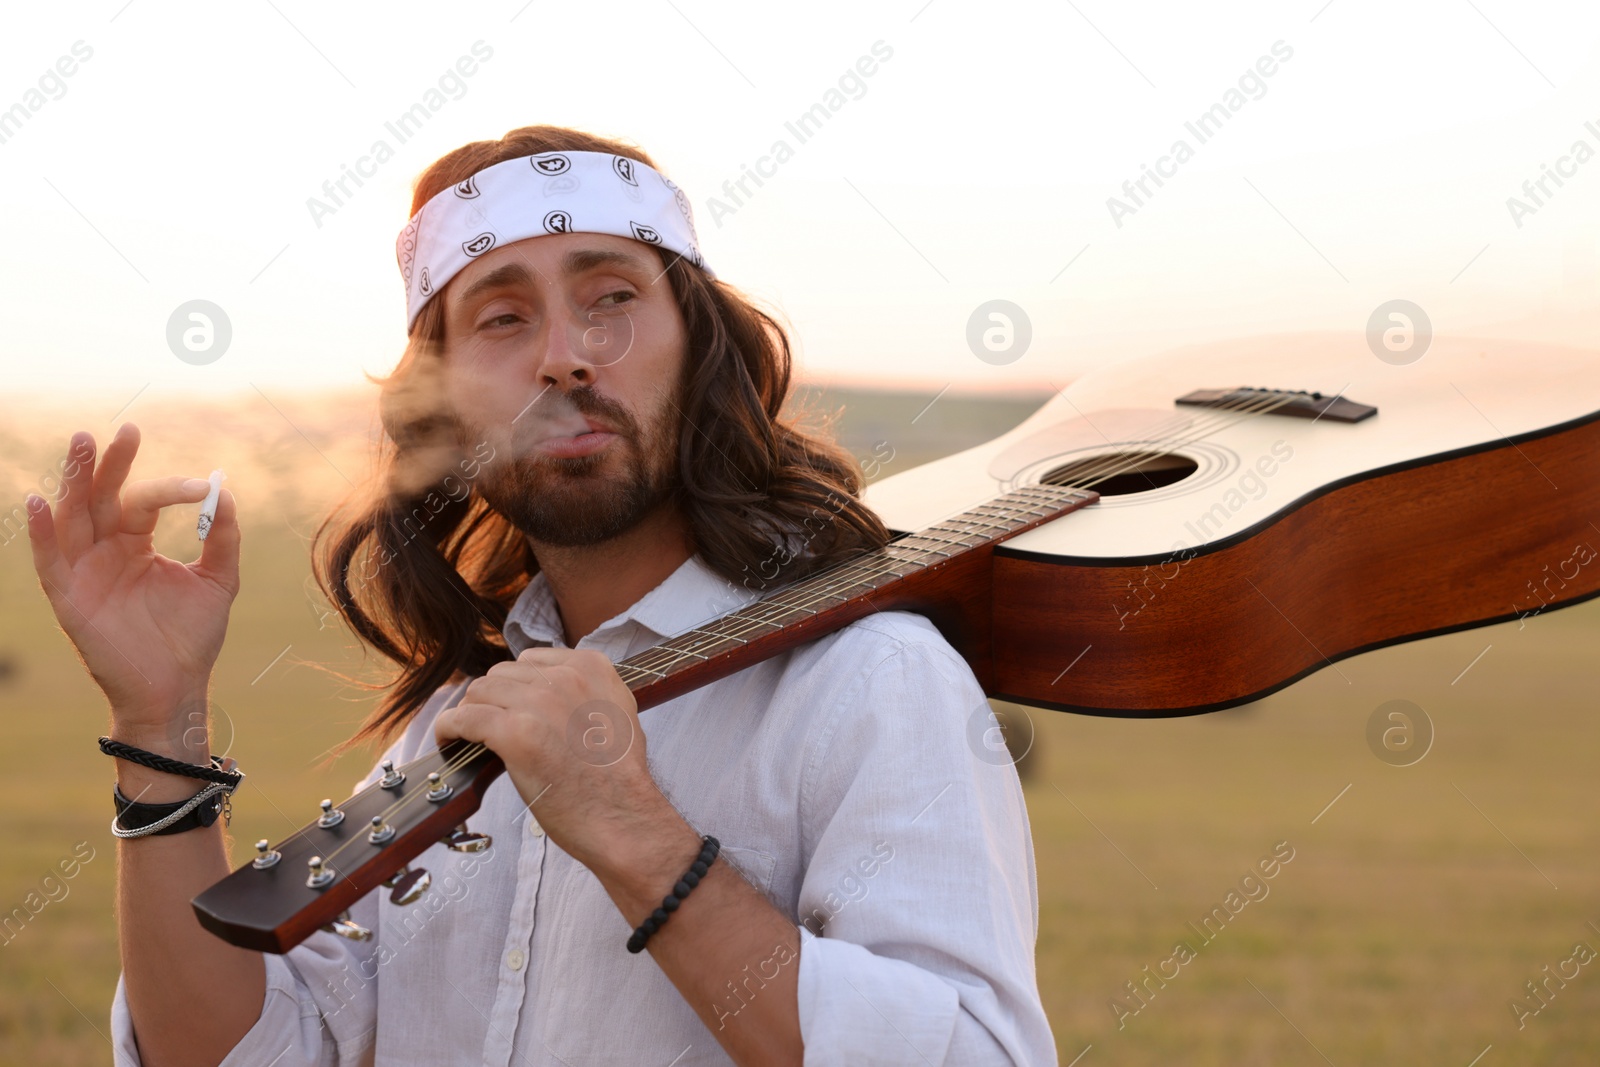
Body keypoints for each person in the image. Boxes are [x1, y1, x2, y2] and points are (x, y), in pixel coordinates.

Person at [27, 125, 1057, 1066]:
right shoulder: (456, 725)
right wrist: (160, 723)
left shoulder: (870, 681)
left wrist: (630, 825)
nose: (564, 354)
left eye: (611, 295)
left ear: (699, 347)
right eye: (502, 317)